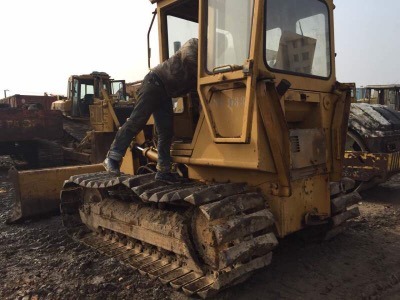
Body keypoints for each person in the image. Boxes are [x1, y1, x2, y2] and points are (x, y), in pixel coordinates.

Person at [103, 38, 198, 182]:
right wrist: (204, 66)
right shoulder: (195, 44)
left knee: (166, 131)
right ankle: (112, 157)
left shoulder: (204, 65)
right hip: (154, 83)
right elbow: (189, 55)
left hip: (166, 92)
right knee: (137, 121)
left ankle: (163, 171)